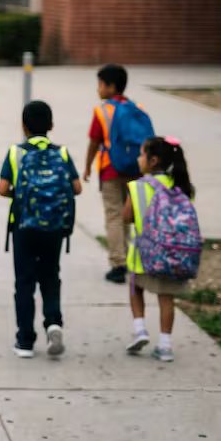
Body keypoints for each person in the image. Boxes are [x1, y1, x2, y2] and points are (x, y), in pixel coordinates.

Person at [0, 101, 82, 359]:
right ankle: (53, 322)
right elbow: (76, 187)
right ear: (51, 126)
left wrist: (21, 196)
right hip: (55, 228)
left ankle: (25, 340)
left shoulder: (16, 153)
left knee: (24, 281)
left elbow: (3, 188)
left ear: (23, 126)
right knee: (50, 275)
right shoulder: (63, 153)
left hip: (24, 227)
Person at [123, 137, 199, 363]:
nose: (139, 159)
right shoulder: (183, 187)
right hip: (172, 254)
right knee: (166, 298)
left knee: (136, 288)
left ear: (153, 160)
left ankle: (140, 329)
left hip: (143, 254)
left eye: (141, 154)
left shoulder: (138, 186)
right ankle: (165, 345)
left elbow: (126, 217)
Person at [83, 64, 153, 285]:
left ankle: (118, 263)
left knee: (114, 216)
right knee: (131, 215)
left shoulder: (102, 111)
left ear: (110, 87)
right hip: (135, 169)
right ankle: (135, 259)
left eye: (100, 84)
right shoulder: (137, 108)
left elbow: (94, 142)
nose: (98, 89)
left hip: (110, 169)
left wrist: (87, 166)